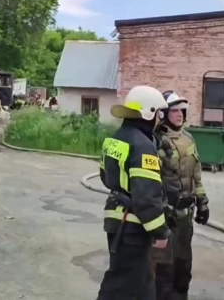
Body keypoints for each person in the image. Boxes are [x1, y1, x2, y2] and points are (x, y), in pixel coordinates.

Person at [97, 85, 171, 300]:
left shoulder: (116, 138)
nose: (160, 118)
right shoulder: (143, 145)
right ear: (149, 112)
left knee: (142, 286)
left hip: (116, 220)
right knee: (121, 285)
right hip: (132, 225)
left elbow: (105, 177)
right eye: (159, 112)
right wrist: (160, 231)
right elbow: (147, 196)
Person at [152, 91, 209, 300]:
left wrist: (202, 202)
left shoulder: (188, 138)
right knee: (163, 270)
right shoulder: (156, 140)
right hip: (166, 217)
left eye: (181, 111)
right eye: (174, 110)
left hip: (186, 218)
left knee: (183, 268)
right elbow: (150, 181)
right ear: (164, 113)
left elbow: (197, 175)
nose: (179, 115)